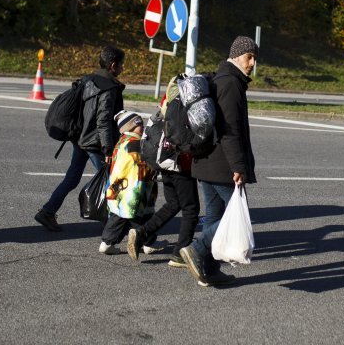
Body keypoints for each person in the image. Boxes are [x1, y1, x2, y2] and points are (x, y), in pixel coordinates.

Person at [180, 36, 258, 287]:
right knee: (232, 217)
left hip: (205, 161)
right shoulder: (231, 83)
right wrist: (238, 166)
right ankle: (196, 249)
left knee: (215, 217)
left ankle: (209, 270)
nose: (252, 63)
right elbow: (230, 129)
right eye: (249, 57)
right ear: (236, 56)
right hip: (223, 164)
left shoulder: (218, 78)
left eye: (255, 58)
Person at [35, 45, 125, 232]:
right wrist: (108, 149)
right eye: (121, 65)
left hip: (80, 138)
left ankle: (48, 211)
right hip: (95, 143)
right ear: (113, 65)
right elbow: (103, 121)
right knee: (110, 181)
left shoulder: (88, 80)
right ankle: (113, 225)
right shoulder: (108, 88)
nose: (123, 68)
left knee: (72, 178)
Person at [126, 111, 201, 267]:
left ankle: (142, 232)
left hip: (163, 158)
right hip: (180, 162)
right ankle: (179, 254)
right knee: (191, 209)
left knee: (173, 203)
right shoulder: (188, 99)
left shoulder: (169, 97)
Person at [99, 111, 161, 255]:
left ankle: (107, 242)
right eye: (139, 124)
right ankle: (148, 243)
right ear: (129, 127)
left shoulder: (122, 141)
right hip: (135, 187)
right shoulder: (135, 144)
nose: (143, 127)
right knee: (140, 216)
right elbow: (143, 164)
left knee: (119, 216)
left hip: (120, 187)